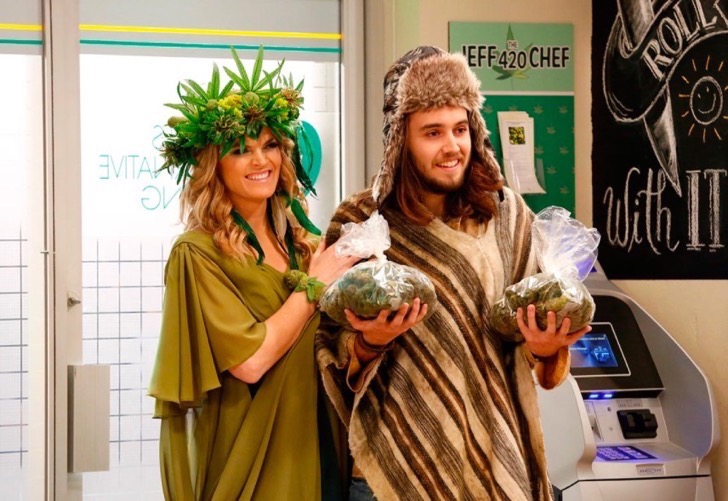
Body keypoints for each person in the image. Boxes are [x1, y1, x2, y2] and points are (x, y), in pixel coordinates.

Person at [315, 45, 591, 500]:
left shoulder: (508, 215)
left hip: (497, 458)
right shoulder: (362, 223)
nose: (452, 146)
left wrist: (545, 348)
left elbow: (532, 348)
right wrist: (370, 342)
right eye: (432, 132)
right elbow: (328, 345)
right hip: (396, 467)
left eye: (460, 129)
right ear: (399, 140)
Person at [148, 47, 359, 500]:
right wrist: (315, 284)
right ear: (213, 166)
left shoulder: (302, 241)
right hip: (254, 448)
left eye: (269, 145)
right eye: (240, 150)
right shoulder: (197, 253)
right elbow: (250, 361)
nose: (261, 161)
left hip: (319, 436)